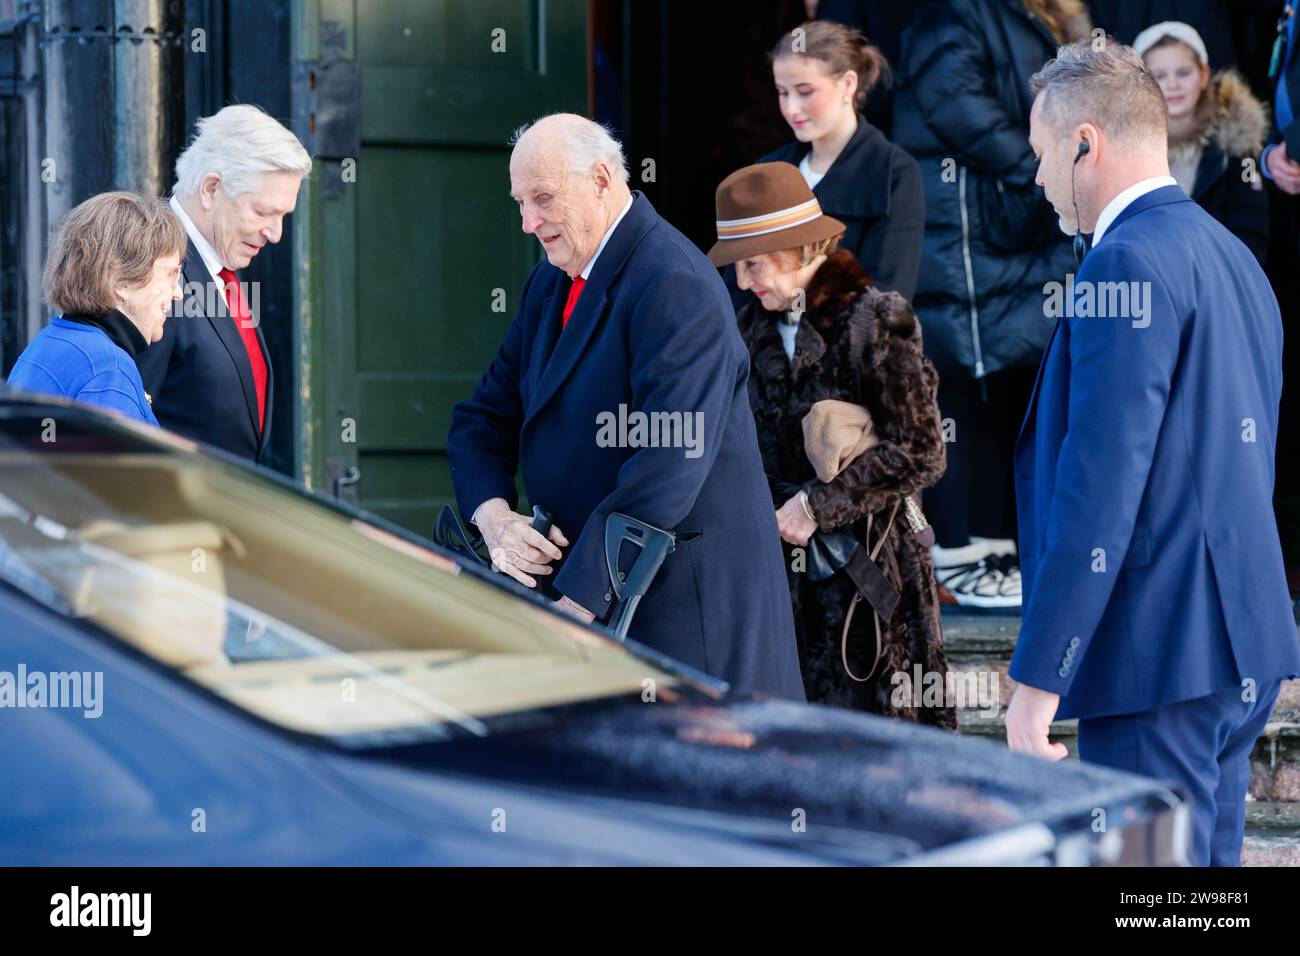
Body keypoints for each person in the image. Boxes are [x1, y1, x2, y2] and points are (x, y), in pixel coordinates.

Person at [1009, 37, 1300, 866]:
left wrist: (1038, 679)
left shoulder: (1121, 265)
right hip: (1240, 637)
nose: (1035, 178)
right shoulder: (1237, 257)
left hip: (1159, 651)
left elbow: (1100, 491)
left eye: (1039, 155)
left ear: (1085, 143)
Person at [447, 114, 804, 700]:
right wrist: (494, 518)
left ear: (602, 180)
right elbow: (482, 417)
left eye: (543, 199)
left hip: (682, 613)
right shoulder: (549, 282)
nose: (527, 222)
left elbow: (667, 463)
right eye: (520, 202)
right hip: (595, 607)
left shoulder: (674, 281)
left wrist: (576, 603)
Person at [712, 162, 954, 726]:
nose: (743, 281)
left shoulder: (876, 318)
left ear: (798, 249)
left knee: (883, 758)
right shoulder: (749, 328)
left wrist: (818, 505)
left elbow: (922, 449)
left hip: (870, 578)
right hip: (779, 582)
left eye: (752, 263)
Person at [891, 0, 1091, 609]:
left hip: (1003, 231)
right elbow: (958, 104)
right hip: (969, 232)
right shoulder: (951, 15)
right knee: (962, 380)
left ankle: (998, 546)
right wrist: (1040, 166)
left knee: (1007, 384)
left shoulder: (1014, 16)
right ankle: (959, 554)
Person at [136, 104, 312, 463]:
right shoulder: (149, 269)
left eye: (282, 216)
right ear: (211, 189)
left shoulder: (219, 262)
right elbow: (126, 429)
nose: (275, 234)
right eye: (262, 212)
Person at [724, 20, 924, 311]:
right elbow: (734, 293)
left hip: (849, 352)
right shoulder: (768, 170)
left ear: (848, 84)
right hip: (767, 352)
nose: (792, 108)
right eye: (782, 92)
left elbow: (890, 300)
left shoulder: (894, 172)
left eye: (805, 91)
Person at [7, 192, 185, 425]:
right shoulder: (108, 367)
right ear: (121, 282)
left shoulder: (53, 341)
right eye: (171, 274)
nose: (178, 292)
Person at [1135, 20, 1270, 263]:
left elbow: (1252, 232)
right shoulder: (1126, 150)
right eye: (1159, 76)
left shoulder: (1236, 149)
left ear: (1204, 75)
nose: (1172, 85)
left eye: (1184, 73)